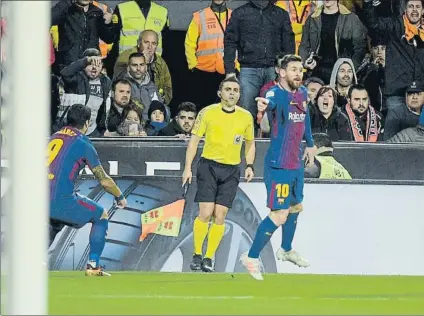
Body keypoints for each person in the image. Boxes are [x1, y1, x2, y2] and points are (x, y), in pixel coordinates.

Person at [241, 54, 317, 281]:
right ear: (282, 73)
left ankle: (285, 249)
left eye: (300, 69)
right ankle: (251, 256)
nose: (298, 73)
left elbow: (306, 120)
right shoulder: (274, 93)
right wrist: (263, 107)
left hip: (295, 164)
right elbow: (269, 103)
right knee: (279, 214)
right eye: (293, 69)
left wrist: (311, 144)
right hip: (279, 164)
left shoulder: (302, 93)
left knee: (295, 207)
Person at [182, 76, 256, 272]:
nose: (232, 93)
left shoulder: (245, 116)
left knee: (220, 215)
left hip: (231, 169)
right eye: (228, 89)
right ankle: (197, 253)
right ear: (220, 93)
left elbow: (250, 143)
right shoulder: (208, 113)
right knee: (205, 212)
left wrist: (249, 165)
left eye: (236, 90)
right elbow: (194, 141)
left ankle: (208, 257)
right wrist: (187, 167)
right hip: (209, 167)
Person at [48, 104, 127, 277]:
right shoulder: (83, 143)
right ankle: (93, 266)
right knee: (101, 215)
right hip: (60, 201)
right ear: (87, 122)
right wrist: (119, 196)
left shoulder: (51, 138)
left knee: (53, 222)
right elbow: (104, 181)